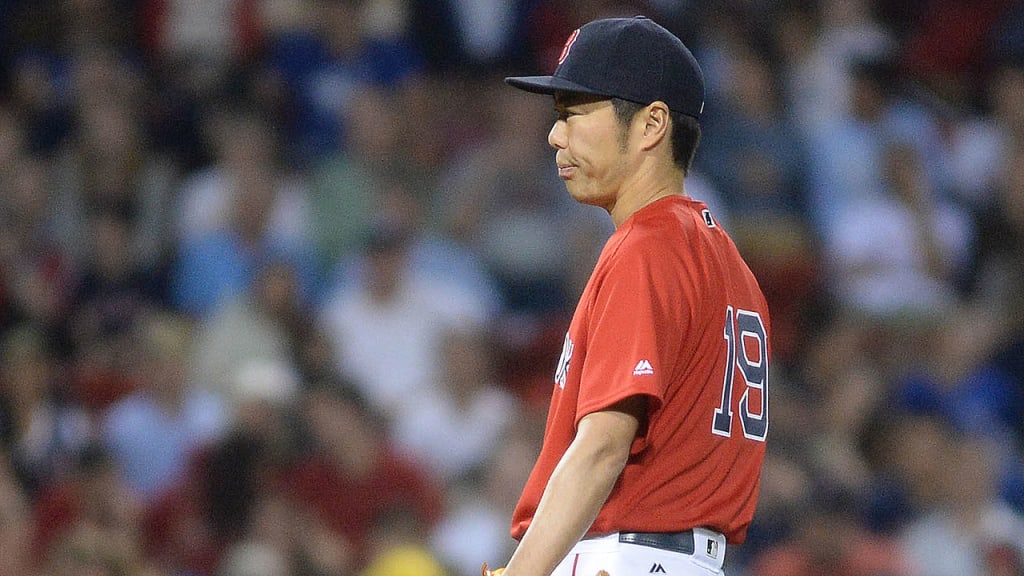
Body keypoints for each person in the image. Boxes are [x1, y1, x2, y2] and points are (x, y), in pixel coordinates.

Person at [491, 16, 771, 576]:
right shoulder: (732, 266)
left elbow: (601, 448)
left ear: (651, 125)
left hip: (628, 557)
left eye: (575, 112)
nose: (555, 134)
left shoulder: (647, 247)